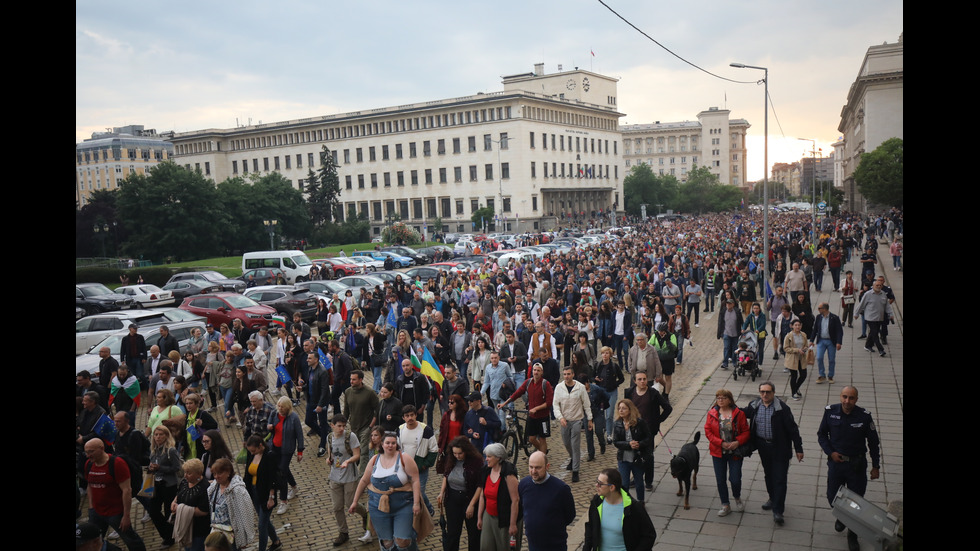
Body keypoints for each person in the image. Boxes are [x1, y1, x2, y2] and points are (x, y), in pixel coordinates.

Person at [817, 386, 881, 551]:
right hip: (836, 463)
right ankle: (842, 516)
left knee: (856, 503)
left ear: (856, 399)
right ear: (840, 397)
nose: (847, 401)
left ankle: (852, 535)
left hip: (856, 466)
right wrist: (830, 453)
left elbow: (874, 443)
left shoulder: (864, 417)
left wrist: (875, 466)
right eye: (844, 397)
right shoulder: (830, 412)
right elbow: (822, 435)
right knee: (832, 497)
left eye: (851, 398)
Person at [742, 381, 804, 526]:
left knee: (780, 479)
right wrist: (724, 406)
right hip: (763, 446)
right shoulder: (755, 405)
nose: (765, 394)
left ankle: (778, 511)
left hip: (780, 448)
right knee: (768, 475)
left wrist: (799, 448)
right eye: (762, 392)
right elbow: (741, 412)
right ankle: (772, 498)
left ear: (773, 393)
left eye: (768, 392)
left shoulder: (782, 409)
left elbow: (793, 430)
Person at [348, 432, 422, 551]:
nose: (390, 445)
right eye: (387, 443)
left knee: (402, 540)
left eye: (393, 443)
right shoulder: (374, 459)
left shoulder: (404, 458)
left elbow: (415, 480)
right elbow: (363, 481)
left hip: (403, 504)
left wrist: (416, 503)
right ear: (382, 444)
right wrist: (355, 502)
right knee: (387, 543)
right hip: (377, 506)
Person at [82, 438, 147, 551]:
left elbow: (127, 490)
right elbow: (89, 486)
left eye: (91, 451)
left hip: (115, 513)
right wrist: (91, 507)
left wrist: (126, 516)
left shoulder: (117, 464)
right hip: (96, 512)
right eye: (86, 452)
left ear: (101, 448)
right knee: (93, 540)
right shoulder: (88, 464)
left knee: (131, 540)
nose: (88, 455)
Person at [583, 468, 656, 551]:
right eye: (597, 481)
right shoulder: (596, 502)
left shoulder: (634, 507)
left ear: (612, 487)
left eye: (600, 484)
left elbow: (649, 535)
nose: (596, 485)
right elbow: (590, 526)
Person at [704, 389, 750, 518]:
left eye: (723, 398)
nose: (720, 400)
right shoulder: (712, 413)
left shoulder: (738, 414)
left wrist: (737, 442)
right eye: (718, 398)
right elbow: (708, 431)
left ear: (730, 399)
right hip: (718, 452)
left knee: (735, 479)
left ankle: (737, 497)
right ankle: (725, 504)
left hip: (735, 452)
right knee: (720, 479)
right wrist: (720, 443)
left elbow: (746, 431)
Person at [624, 371, 672, 492]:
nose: (642, 381)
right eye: (639, 379)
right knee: (635, 455)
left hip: (649, 430)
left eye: (644, 379)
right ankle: (636, 477)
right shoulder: (629, 392)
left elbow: (667, 408)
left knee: (648, 456)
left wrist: (658, 421)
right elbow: (625, 409)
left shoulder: (653, 393)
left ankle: (649, 481)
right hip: (634, 429)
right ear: (635, 381)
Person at [325, 414, 369, 546]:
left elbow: (357, 455)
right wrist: (328, 460)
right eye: (339, 426)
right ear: (332, 426)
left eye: (344, 426)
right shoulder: (329, 437)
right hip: (335, 476)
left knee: (350, 505)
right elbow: (330, 454)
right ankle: (343, 532)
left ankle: (365, 515)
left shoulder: (351, 436)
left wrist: (348, 461)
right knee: (337, 507)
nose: (342, 429)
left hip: (349, 476)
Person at [519, 450, 576, 551]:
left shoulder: (561, 489)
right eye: (531, 467)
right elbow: (522, 509)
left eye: (538, 467)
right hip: (533, 545)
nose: (533, 471)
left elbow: (570, 515)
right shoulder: (524, 484)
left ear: (547, 466)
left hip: (555, 546)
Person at [437, 436, 484, 551]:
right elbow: (446, 475)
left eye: (460, 453)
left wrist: (472, 505)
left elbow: (480, 485)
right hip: (452, 499)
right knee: (453, 532)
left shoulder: (476, 462)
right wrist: (441, 492)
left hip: (469, 498)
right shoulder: (451, 458)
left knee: (473, 534)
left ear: (466, 451)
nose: (457, 456)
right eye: (454, 453)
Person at [475, 442, 523, 551]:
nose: (486, 459)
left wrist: (512, 524)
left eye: (489, 457)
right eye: (486, 456)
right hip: (489, 515)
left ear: (498, 458)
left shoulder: (508, 474)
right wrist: (479, 517)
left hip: (505, 517)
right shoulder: (486, 470)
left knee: (504, 547)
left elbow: (515, 500)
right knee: (486, 546)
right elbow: (482, 496)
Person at [498, 363, 552, 454]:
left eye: (538, 370)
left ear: (541, 372)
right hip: (532, 416)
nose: (536, 372)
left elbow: (549, 402)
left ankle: (542, 459)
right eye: (534, 370)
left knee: (542, 439)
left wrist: (536, 408)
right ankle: (542, 452)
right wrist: (504, 404)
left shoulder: (545, 384)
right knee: (531, 439)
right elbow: (517, 394)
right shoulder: (528, 382)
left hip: (543, 417)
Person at [243, 435, 284, 551]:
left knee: (262, 526)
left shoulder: (269, 456)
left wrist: (271, 497)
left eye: (254, 450)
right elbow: (247, 474)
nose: (251, 453)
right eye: (250, 451)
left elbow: (272, 479)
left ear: (260, 446)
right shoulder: (251, 455)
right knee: (264, 520)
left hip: (266, 494)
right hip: (255, 492)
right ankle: (276, 541)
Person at [553, 365, 593, 483]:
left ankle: (575, 470)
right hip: (564, 421)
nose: (566, 376)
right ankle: (572, 458)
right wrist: (560, 418)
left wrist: (590, 419)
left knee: (575, 444)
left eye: (568, 374)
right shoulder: (559, 388)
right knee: (566, 442)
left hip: (576, 420)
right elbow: (555, 405)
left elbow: (586, 404)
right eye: (565, 374)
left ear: (573, 374)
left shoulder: (580, 388)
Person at [207, 458, 257, 550]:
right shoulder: (214, 486)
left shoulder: (237, 490)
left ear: (228, 472)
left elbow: (245, 514)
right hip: (217, 532)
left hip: (232, 537)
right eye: (214, 474)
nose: (216, 476)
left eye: (219, 473)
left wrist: (244, 539)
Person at [398, 404, 439, 516]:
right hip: (405, 468)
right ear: (403, 418)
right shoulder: (400, 430)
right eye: (407, 415)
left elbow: (434, 449)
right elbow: (397, 449)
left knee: (419, 492)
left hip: (420, 469)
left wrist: (425, 465)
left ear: (416, 415)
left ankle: (428, 509)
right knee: (408, 491)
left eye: (412, 415)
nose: (410, 418)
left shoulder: (425, 430)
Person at [147, 425, 183, 548]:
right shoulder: (153, 450)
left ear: (166, 436)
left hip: (169, 485)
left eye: (161, 434)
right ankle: (167, 533)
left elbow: (177, 468)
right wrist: (151, 468)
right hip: (156, 484)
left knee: (169, 512)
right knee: (153, 511)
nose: (158, 437)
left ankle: (169, 539)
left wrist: (160, 468)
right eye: (156, 435)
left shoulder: (170, 451)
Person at [267, 396, 303, 514]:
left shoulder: (294, 418)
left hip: (287, 449)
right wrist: (269, 427)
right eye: (278, 406)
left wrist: (300, 451)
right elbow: (269, 425)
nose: (280, 409)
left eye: (282, 407)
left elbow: (299, 435)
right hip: (275, 447)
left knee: (281, 473)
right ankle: (294, 486)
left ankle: (283, 501)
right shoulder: (274, 413)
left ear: (288, 407)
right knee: (284, 469)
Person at [612, 399, 653, 503]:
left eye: (624, 408)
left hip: (637, 458)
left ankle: (641, 502)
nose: (621, 410)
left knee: (639, 482)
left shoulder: (639, 423)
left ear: (630, 410)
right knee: (624, 484)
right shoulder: (617, 424)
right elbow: (616, 442)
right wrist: (628, 445)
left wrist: (639, 444)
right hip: (623, 459)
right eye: (619, 408)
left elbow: (648, 438)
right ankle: (626, 503)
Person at [170, 458, 209, 551]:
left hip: (198, 531)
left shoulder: (204, 488)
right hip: (186, 528)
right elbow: (179, 494)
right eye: (185, 472)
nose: (185, 476)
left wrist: (180, 509)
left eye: (189, 473)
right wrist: (174, 502)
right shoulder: (184, 482)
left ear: (199, 473)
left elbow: (203, 511)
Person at [856, 279, 894, 357]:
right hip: (870, 317)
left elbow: (887, 306)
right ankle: (881, 350)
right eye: (877, 285)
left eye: (880, 285)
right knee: (875, 333)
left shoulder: (883, 294)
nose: (878, 287)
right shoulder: (868, 294)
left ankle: (867, 346)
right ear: (873, 286)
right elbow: (861, 304)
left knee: (873, 332)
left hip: (880, 317)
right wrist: (856, 313)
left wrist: (891, 314)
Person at [811, 302, 845, 384]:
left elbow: (839, 331)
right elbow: (815, 329)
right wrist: (811, 340)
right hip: (821, 340)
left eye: (819, 308)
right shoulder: (819, 317)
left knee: (831, 359)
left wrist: (839, 342)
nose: (818, 310)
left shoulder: (834, 318)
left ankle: (830, 376)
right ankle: (822, 375)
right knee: (819, 358)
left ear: (825, 309)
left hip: (831, 341)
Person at [181, 392, 218, 460]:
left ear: (196, 404)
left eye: (190, 403)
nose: (188, 405)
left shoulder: (202, 414)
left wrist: (202, 424)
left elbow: (214, 425)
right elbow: (185, 431)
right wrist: (183, 445)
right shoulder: (187, 415)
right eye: (187, 403)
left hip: (200, 448)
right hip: (189, 449)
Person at [782, 320, 811, 400]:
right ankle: (793, 393)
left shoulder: (803, 334)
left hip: (801, 358)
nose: (797, 327)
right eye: (796, 325)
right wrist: (797, 350)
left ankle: (796, 388)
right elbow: (786, 348)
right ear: (792, 326)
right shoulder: (789, 336)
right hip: (792, 359)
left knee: (803, 375)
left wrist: (805, 349)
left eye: (799, 325)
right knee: (794, 376)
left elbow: (805, 345)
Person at [717, 299, 744, 370]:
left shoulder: (737, 311)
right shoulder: (723, 312)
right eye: (727, 304)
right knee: (726, 347)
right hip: (726, 333)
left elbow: (741, 321)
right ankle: (725, 363)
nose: (728, 305)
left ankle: (734, 361)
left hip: (735, 333)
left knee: (735, 348)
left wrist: (742, 329)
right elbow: (720, 323)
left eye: (730, 304)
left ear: (733, 304)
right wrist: (719, 333)